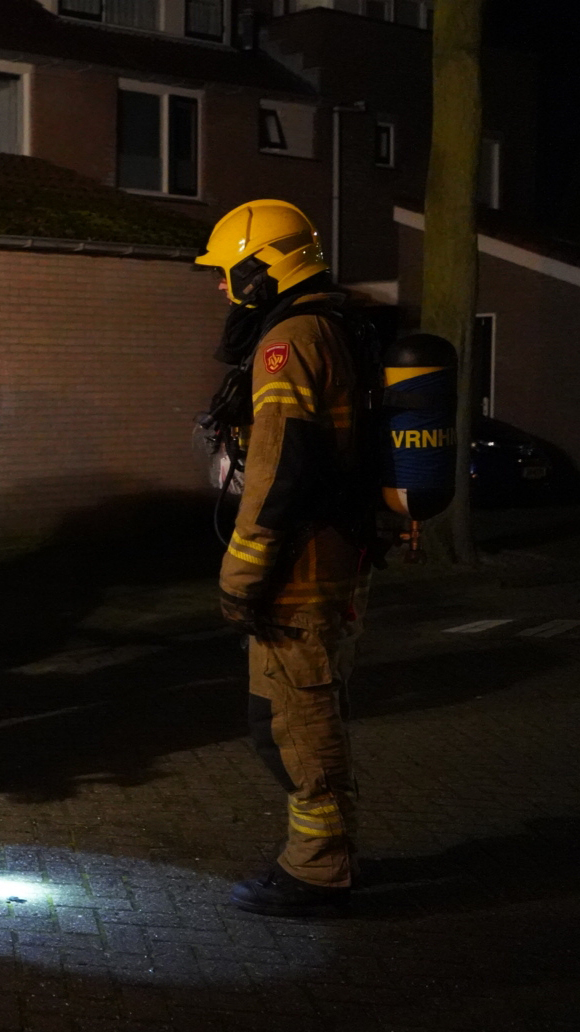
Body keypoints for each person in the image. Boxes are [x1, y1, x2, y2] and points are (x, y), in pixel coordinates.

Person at [195, 199, 368, 918]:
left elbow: (277, 470)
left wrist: (241, 574)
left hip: (298, 571)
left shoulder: (289, 340)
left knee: (295, 723)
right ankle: (325, 856)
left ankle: (319, 871)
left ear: (265, 269)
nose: (222, 287)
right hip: (329, 557)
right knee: (293, 717)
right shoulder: (337, 325)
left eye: (230, 272)